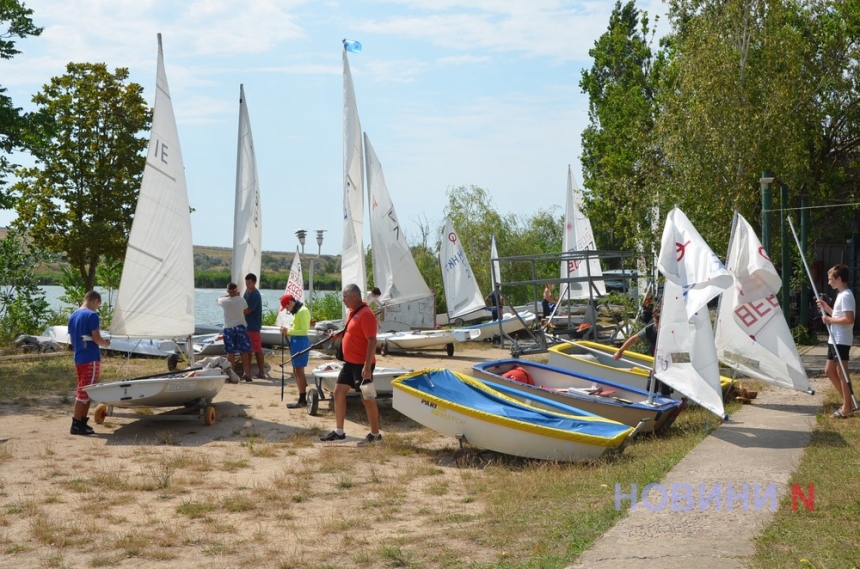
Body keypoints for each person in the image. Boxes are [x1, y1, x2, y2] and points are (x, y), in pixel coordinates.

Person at [320, 284, 381, 446]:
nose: (343, 300)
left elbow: (372, 341)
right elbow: (348, 330)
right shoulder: (352, 312)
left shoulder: (366, 314)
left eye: (345, 297)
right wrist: (336, 335)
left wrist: (367, 367)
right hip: (349, 363)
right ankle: (339, 432)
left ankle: (375, 435)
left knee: (367, 398)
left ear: (354, 296)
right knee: (338, 392)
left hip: (363, 365)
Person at [67, 290, 111, 435]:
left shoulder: (73, 315)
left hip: (79, 357)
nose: (97, 308)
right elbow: (96, 338)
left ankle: (81, 423)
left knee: (83, 390)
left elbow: (73, 338)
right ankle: (77, 424)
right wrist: (106, 344)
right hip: (90, 358)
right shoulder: (92, 315)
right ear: (95, 301)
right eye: (98, 305)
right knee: (85, 392)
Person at [817, 264, 856, 418]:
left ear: (839, 279)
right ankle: (849, 401)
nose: (828, 282)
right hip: (835, 339)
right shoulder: (841, 295)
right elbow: (839, 315)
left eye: (830, 279)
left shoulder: (846, 295)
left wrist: (829, 319)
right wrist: (827, 308)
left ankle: (847, 408)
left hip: (842, 339)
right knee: (829, 370)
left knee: (841, 372)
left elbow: (849, 319)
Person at [613, 304, 672, 396]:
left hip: (669, 363)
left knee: (665, 388)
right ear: (653, 318)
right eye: (657, 322)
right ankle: (651, 402)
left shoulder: (669, 331)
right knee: (651, 386)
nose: (659, 326)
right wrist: (620, 351)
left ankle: (668, 402)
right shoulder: (649, 330)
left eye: (661, 323)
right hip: (656, 363)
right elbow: (633, 339)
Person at [280, 294, 311, 409]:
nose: (287, 310)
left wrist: (288, 332)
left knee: (299, 370)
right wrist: (287, 330)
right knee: (296, 370)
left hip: (301, 342)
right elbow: (297, 328)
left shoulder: (302, 311)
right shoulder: (298, 311)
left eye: (287, 308)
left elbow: (303, 330)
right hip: (297, 342)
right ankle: (301, 394)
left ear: (290, 303)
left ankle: (302, 399)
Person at [218, 282, 252, 381]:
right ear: (236, 290)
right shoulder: (241, 300)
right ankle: (247, 373)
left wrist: (228, 294)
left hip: (229, 328)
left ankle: (231, 374)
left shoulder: (224, 301)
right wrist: (236, 294)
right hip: (240, 327)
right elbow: (245, 311)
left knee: (230, 352)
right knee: (244, 351)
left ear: (227, 290)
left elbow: (218, 298)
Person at [243, 273, 266, 379]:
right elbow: (243, 304)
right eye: (246, 282)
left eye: (249, 282)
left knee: (257, 349)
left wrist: (235, 310)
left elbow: (248, 310)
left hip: (253, 326)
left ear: (254, 282)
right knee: (248, 349)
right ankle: (248, 372)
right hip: (246, 325)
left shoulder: (256, 295)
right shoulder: (247, 292)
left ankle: (261, 372)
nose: (247, 284)